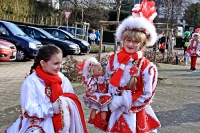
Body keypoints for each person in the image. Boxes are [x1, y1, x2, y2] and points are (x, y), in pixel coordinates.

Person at [92, 0, 161, 132]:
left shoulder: (147, 67)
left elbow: (147, 94)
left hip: (134, 113)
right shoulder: (113, 59)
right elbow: (107, 82)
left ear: (142, 44)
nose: (131, 44)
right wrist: (103, 97)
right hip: (113, 110)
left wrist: (122, 101)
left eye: (136, 42)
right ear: (122, 40)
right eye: (128, 40)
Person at [5, 45, 88, 133]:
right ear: (43, 63)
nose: (59, 66)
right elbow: (29, 108)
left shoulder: (62, 78)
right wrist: (51, 108)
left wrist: (65, 103)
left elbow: (71, 96)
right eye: (56, 63)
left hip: (62, 123)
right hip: (38, 124)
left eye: (60, 63)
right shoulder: (31, 82)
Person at [78, 57, 112, 126]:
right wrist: (92, 89)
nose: (101, 71)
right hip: (96, 95)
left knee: (104, 108)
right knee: (94, 107)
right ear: (92, 72)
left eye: (101, 69)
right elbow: (90, 86)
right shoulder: (92, 79)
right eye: (99, 70)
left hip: (104, 95)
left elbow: (109, 82)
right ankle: (92, 118)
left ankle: (103, 120)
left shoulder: (104, 78)